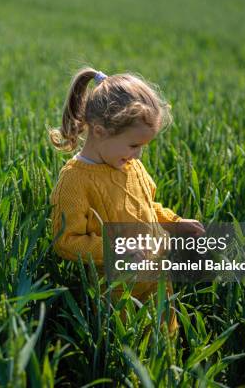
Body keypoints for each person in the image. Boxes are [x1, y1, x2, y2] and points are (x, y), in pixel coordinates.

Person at [48, 67, 205, 334]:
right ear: (99, 131)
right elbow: (65, 241)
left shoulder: (129, 166)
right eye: (134, 145)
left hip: (157, 282)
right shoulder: (74, 181)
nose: (139, 154)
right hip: (116, 296)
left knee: (164, 345)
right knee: (128, 349)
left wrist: (175, 224)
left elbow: (145, 208)